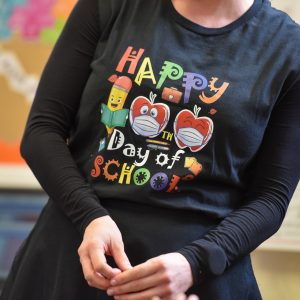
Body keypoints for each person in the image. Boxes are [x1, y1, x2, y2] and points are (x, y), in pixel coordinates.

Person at [1, 0, 300, 299]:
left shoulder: (288, 47)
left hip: (195, 279)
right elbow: (43, 130)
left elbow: (271, 198)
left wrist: (196, 262)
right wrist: (89, 216)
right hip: (74, 260)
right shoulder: (109, 6)